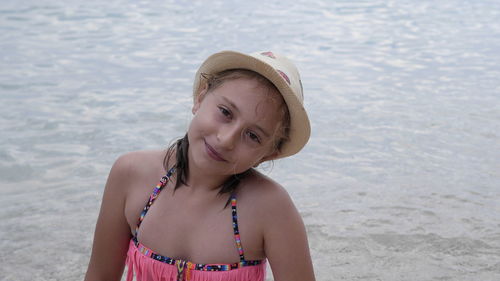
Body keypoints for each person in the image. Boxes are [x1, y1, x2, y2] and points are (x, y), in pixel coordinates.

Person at [84, 50, 315, 281]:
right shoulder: (131, 174)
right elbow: (100, 275)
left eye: (253, 136)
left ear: (268, 154)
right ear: (200, 98)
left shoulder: (271, 209)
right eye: (225, 112)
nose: (226, 139)